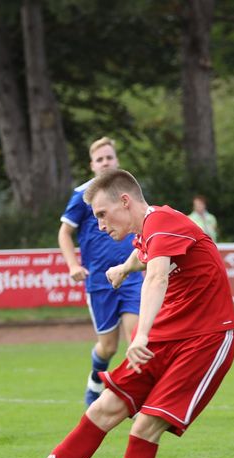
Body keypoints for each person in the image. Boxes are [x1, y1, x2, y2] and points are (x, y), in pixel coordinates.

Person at [0, 169, 234, 458]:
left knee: (144, 427)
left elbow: (157, 277)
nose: (98, 225)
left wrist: (142, 333)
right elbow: (145, 252)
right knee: (102, 410)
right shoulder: (153, 226)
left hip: (204, 340)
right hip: (167, 336)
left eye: (101, 214)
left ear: (125, 201)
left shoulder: (163, 221)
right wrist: (126, 266)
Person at [58, 136, 143, 406]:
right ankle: (96, 380)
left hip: (131, 276)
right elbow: (65, 232)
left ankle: (135, 398)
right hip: (99, 281)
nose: (106, 162)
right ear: (92, 165)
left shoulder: (128, 193)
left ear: (117, 161)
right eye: (100, 159)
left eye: (109, 157)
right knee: (108, 347)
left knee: (137, 339)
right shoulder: (82, 196)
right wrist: (73, 264)